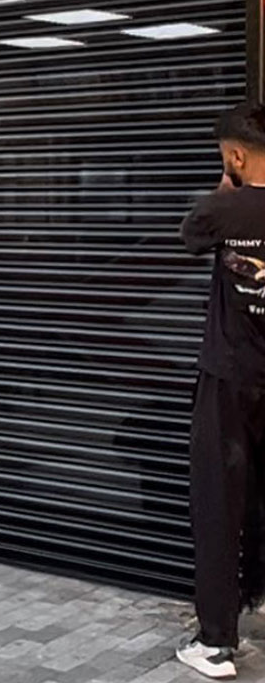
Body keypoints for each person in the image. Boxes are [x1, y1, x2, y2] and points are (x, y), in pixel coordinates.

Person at [177, 101, 265, 680]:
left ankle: (216, 643)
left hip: (230, 378)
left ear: (234, 155)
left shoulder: (222, 209)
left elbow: (189, 236)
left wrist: (227, 185)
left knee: (217, 503)